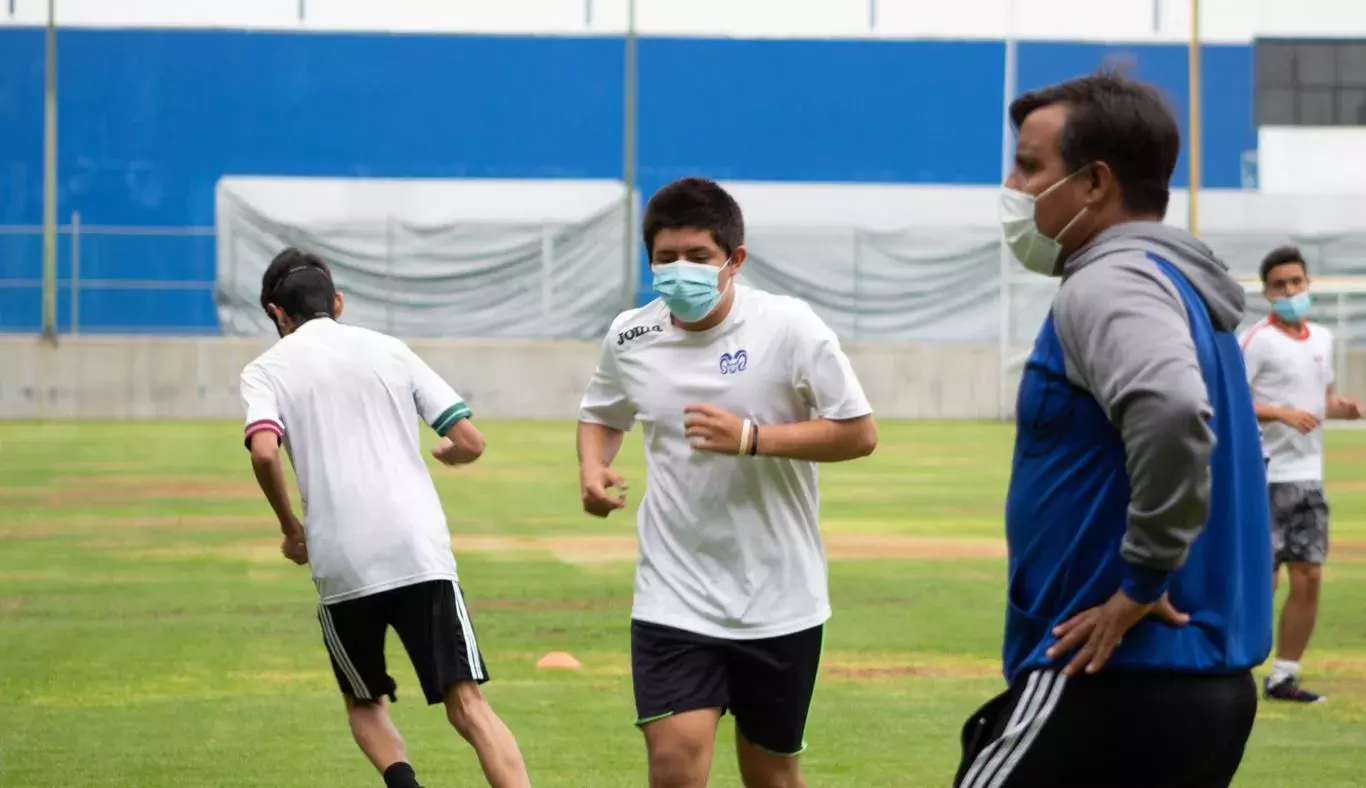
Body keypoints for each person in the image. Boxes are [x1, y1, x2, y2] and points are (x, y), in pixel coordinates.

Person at [954, 73, 1273, 788]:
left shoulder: (1112, 280)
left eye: (1030, 165)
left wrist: (1141, 580)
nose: (1013, 184)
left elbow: (1170, 407)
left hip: (1111, 672)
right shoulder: (1174, 283)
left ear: (1094, 183)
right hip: (1195, 683)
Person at [575, 177, 878, 788]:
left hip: (780, 595)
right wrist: (593, 466)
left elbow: (858, 432)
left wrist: (752, 438)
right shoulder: (631, 334)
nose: (679, 269)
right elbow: (602, 413)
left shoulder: (789, 327)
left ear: (733, 260)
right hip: (673, 592)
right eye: (666, 258)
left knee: (770, 775)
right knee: (674, 764)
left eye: (698, 256)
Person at [239, 248, 531, 788]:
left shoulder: (265, 371)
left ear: (278, 313)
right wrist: (452, 454)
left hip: (342, 558)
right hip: (418, 550)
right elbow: (469, 439)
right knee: (467, 703)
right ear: (339, 302)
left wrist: (290, 529)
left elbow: (263, 451)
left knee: (363, 698)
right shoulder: (391, 350)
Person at [1240, 245, 1362, 703]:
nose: (1290, 291)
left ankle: (1284, 676)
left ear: (1307, 284)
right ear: (1267, 292)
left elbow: (1322, 397)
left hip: (1309, 475)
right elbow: (1229, 398)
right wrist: (1280, 413)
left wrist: (1341, 408)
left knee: (1308, 574)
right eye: (1280, 285)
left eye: (1296, 282)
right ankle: (1235, 665)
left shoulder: (1323, 339)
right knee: (1262, 580)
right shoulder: (1255, 341)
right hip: (1264, 474)